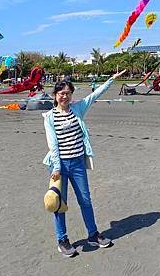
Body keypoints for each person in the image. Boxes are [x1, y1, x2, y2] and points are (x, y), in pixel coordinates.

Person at [43, 69, 126, 257]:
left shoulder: (78, 108)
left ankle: (93, 234)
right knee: (59, 203)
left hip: (78, 163)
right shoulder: (49, 117)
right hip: (60, 166)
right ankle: (62, 240)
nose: (65, 96)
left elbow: (95, 94)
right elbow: (53, 144)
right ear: (55, 96)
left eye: (68, 93)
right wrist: (56, 167)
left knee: (85, 200)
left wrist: (112, 79)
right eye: (61, 93)